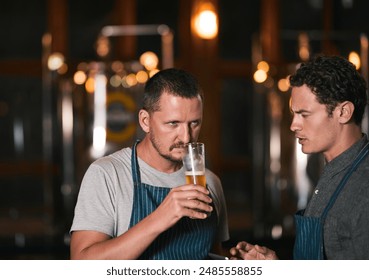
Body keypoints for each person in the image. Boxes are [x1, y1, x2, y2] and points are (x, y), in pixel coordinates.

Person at [70, 68, 229, 259]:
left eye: (194, 123)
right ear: (145, 121)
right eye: (173, 123)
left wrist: (244, 263)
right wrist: (161, 217)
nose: (186, 137)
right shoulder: (107, 174)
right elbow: (83, 265)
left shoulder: (210, 182)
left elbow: (211, 257)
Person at [230, 54, 369, 260]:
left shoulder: (364, 187)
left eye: (304, 114)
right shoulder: (332, 171)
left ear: (344, 112)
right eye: (294, 114)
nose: (293, 125)